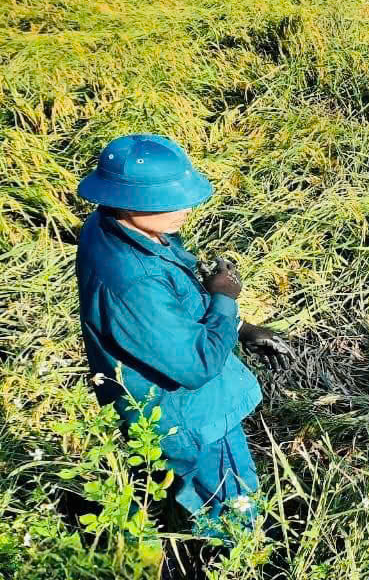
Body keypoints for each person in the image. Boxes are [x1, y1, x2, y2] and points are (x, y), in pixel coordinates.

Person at [75, 133, 293, 537]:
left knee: (186, 492)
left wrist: (241, 328)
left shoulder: (119, 226)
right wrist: (225, 300)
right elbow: (196, 366)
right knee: (233, 511)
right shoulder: (133, 278)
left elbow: (172, 315)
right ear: (126, 199)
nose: (185, 210)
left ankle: (194, 541)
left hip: (161, 409)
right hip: (192, 416)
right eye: (169, 202)